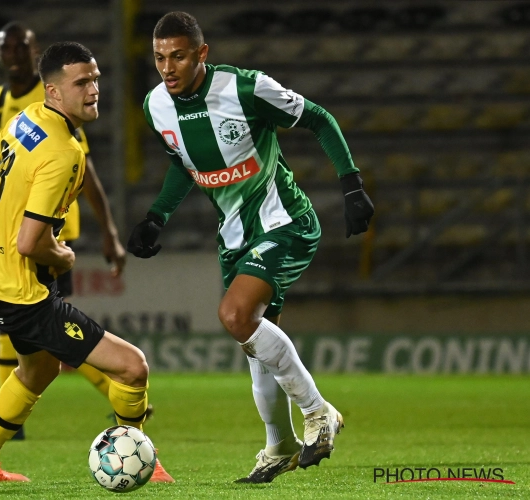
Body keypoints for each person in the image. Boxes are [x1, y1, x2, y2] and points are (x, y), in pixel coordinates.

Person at [127, 12, 374, 483]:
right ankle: (279, 445)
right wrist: (157, 216)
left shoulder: (246, 88)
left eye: (178, 55)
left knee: (235, 316)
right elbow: (183, 163)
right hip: (235, 237)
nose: (168, 67)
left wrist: (351, 184)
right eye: (159, 57)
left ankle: (319, 412)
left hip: (285, 222)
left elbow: (318, 118)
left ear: (202, 53)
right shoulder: (155, 105)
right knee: (254, 343)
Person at [0, 42, 173, 482]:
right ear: (53, 91)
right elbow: (31, 242)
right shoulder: (64, 152)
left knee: (38, 369)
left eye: (95, 80)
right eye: (81, 83)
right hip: (25, 292)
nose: (93, 90)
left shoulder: (27, 117)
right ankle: (136, 451)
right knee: (132, 367)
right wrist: (64, 254)